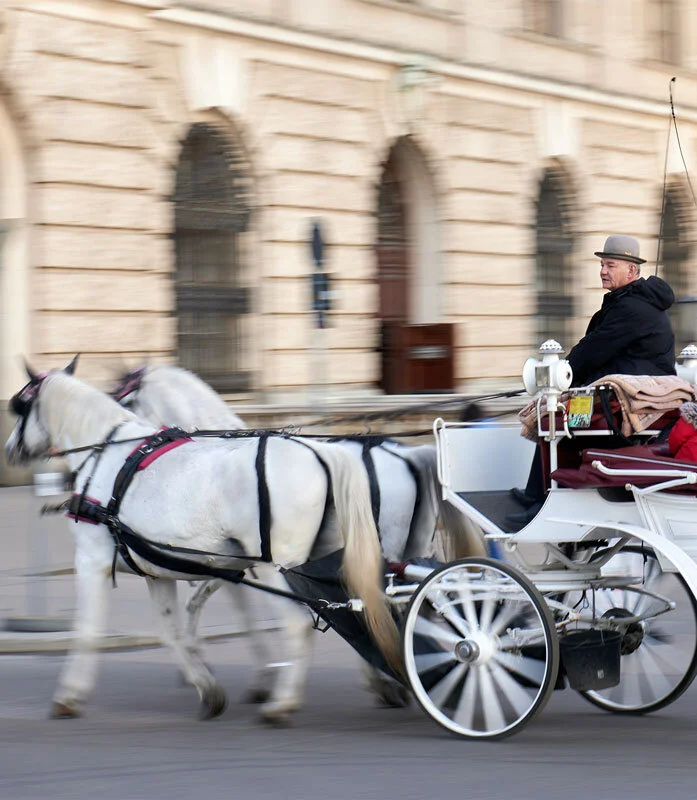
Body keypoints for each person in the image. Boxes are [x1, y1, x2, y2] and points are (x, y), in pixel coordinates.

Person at [508, 234, 677, 525]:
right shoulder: (628, 301)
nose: (602, 271)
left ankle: (543, 502)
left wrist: (563, 376)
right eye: (602, 264)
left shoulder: (632, 307)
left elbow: (593, 350)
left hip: (627, 398)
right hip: (622, 392)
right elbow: (597, 349)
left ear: (631, 271)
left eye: (610, 265)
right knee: (555, 414)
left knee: (557, 418)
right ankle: (536, 494)